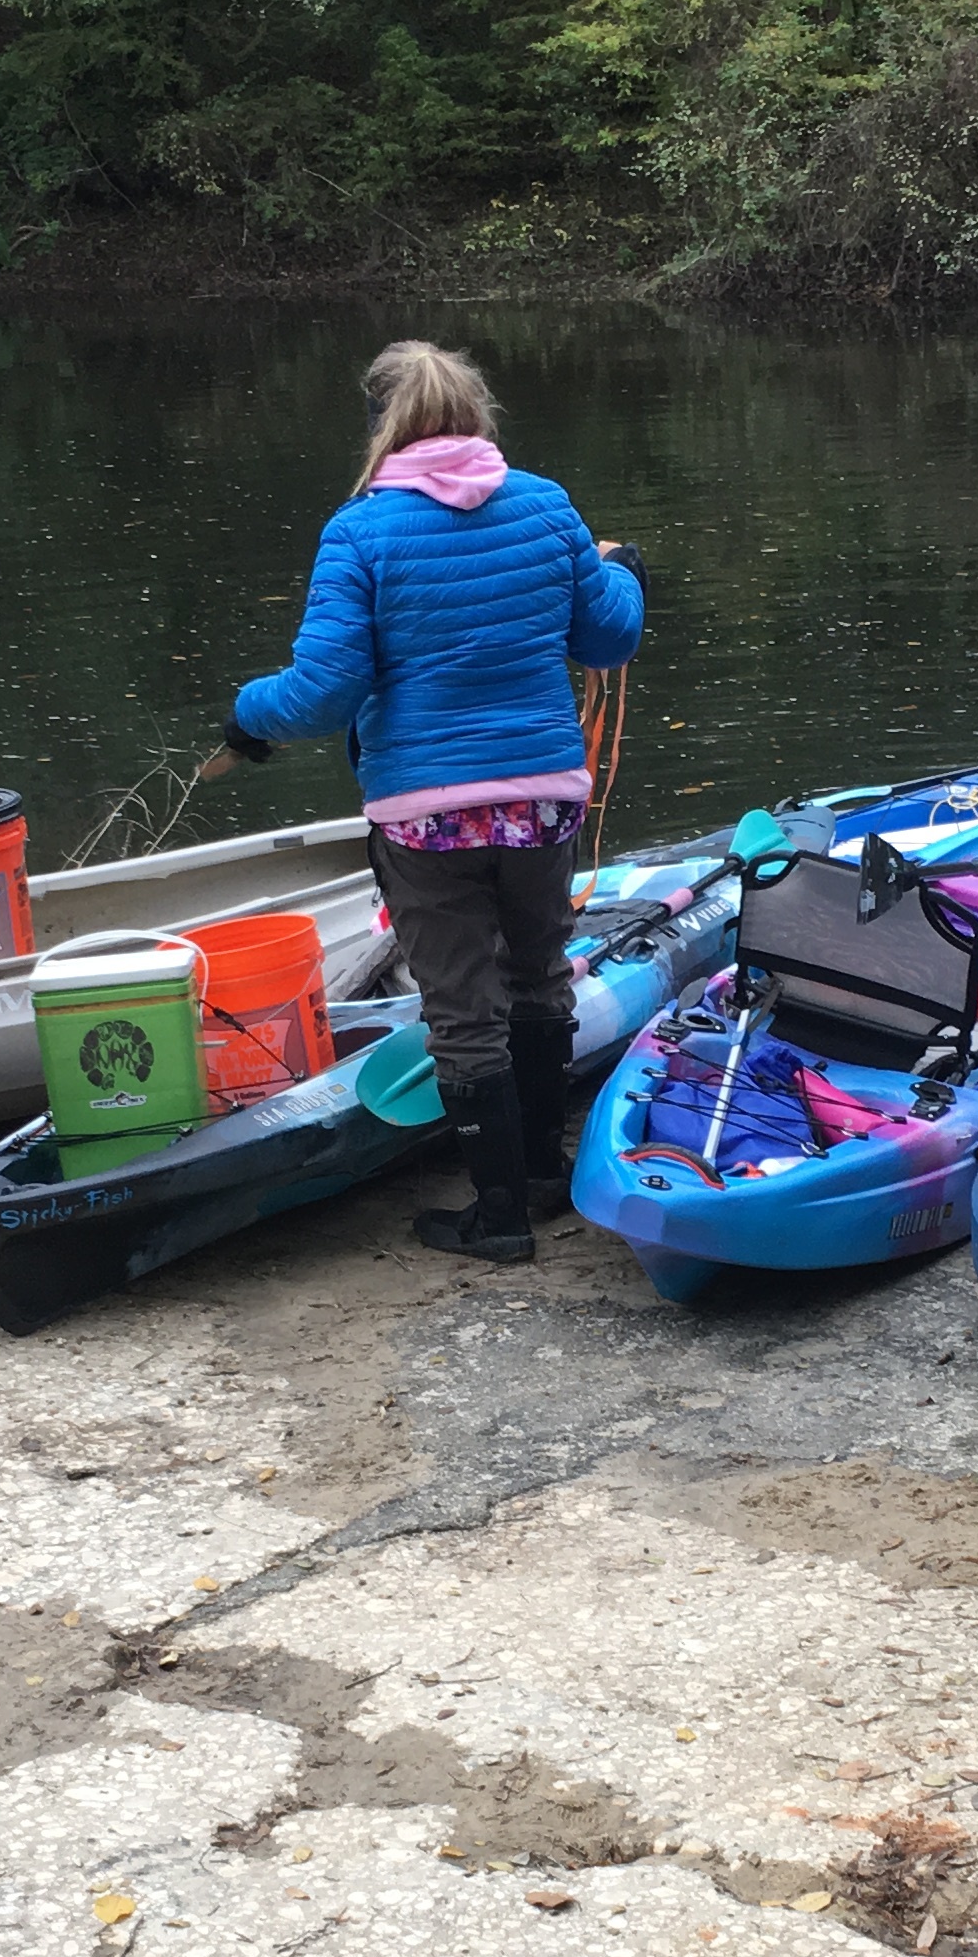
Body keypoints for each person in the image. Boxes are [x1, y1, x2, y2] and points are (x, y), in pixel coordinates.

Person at [215, 340, 645, 1265]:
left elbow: (324, 690)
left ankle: (496, 1220)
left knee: (460, 1008)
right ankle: (541, 1172)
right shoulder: (545, 504)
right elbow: (608, 638)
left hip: (427, 815)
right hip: (540, 803)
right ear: (478, 417)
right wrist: (626, 572)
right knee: (538, 976)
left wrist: (247, 714)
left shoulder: (360, 531)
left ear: (382, 426)